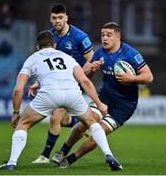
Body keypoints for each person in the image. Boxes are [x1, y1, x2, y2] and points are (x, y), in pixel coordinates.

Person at [0, 30, 122, 171]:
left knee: (23, 124)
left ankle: (12, 163)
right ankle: (108, 155)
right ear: (54, 45)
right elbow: (85, 81)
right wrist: (99, 103)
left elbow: (18, 90)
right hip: (72, 93)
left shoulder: (32, 58)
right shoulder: (67, 57)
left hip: (49, 94)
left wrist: (15, 112)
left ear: (37, 47)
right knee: (92, 122)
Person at [51, 22, 153, 170]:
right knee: (82, 124)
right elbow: (84, 76)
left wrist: (132, 79)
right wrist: (92, 70)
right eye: (102, 35)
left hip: (124, 105)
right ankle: (62, 152)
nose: (105, 38)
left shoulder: (131, 54)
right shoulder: (99, 52)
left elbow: (149, 77)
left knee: (98, 134)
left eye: (109, 35)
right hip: (105, 97)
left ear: (118, 37)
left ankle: (70, 159)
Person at [31, 3, 94, 164]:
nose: (57, 20)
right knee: (62, 120)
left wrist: (80, 78)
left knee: (55, 117)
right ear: (50, 19)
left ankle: (45, 156)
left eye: (60, 17)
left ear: (66, 18)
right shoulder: (50, 37)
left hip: (75, 81)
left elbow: (92, 61)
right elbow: (46, 65)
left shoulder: (79, 37)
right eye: (54, 18)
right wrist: (38, 82)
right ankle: (81, 124)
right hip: (57, 82)